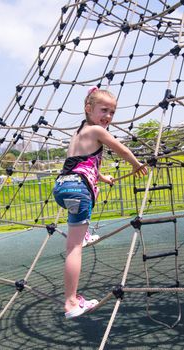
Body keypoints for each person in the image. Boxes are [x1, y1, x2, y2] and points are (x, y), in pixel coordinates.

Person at [53, 86, 147, 319]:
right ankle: (71, 302)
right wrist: (136, 164)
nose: (108, 116)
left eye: (112, 112)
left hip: (62, 186)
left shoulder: (78, 132)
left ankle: (82, 234)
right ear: (88, 109)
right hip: (78, 189)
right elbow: (121, 148)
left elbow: (77, 162)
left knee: (78, 223)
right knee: (73, 248)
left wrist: (102, 177)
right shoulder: (97, 130)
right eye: (104, 110)